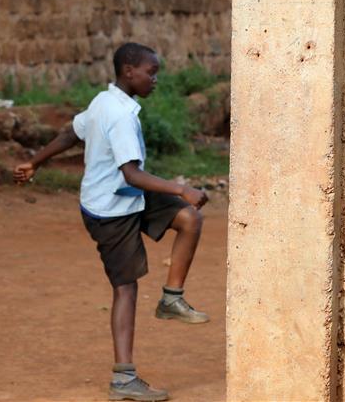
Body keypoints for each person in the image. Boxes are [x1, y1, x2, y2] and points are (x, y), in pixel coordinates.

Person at [14, 42, 208, 402]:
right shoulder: (118, 115)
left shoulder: (104, 101)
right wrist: (181, 188)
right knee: (126, 288)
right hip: (109, 210)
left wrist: (34, 162)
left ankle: (171, 299)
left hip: (126, 195)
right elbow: (132, 173)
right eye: (151, 72)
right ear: (129, 71)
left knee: (189, 219)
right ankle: (124, 379)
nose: (155, 80)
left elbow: (71, 133)